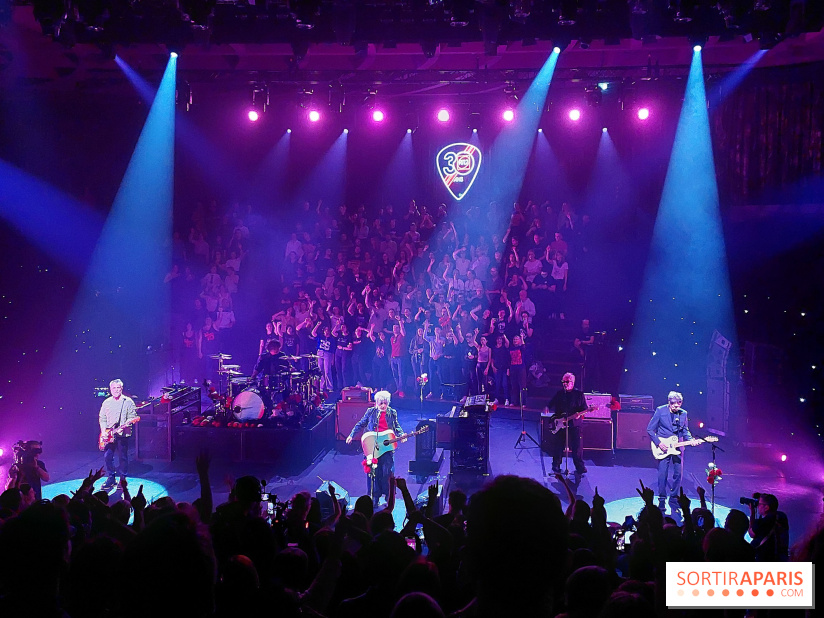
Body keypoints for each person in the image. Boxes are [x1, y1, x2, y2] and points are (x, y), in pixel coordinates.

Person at [345, 390, 405, 504]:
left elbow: (396, 426)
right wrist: (351, 435)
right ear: (376, 403)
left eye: (385, 403)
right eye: (380, 403)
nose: (383, 406)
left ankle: (389, 496)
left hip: (386, 447)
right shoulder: (371, 412)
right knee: (373, 473)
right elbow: (361, 424)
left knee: (387, 472)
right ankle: (374, 497)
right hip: (373, 447)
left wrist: (401, 434)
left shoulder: (392, 413)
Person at [646, 391, 699, 512]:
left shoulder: (683, 413)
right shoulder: (660, 410)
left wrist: (690, 440)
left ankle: (674, 498)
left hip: (678, 446)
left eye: (679, 404)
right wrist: (659, 443)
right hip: (663, 446)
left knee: (678, 474)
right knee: (662, 473)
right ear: (669, 402)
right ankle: (662, 499)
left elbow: (685, 430)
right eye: (674, 404)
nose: (677, 407)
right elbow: (650, 429)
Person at [98, 378, 138, 491]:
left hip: (122, 434)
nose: (116, 390)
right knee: (107, 456)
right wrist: (104, 431)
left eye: (118, 388)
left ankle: (122, 479)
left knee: (123, 457)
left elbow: (133, 416)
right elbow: (102, 418)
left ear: (122, 388)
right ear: (110, 389)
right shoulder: (106, 402)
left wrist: (126, 424)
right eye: (113, 388)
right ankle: (111, 477)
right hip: (109, 435)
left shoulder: (128, 401)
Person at [545, 372, 588, 475]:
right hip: (560, 424)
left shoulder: (579, 395)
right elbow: (551, 403)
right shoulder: (560, 394)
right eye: (563, 381)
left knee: (576, 447)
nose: (565, 383)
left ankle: (580, 467)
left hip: (574, 424)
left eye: (567, 381)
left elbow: (585, 409)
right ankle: (556, 465)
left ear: (572, 382)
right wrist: (547, 407)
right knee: (558, 446)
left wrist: (579, 415)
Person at [748, 493, 789, 561]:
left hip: (764, 559)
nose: (757, 506)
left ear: (766, 507)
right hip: (779, 559)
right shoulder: (782, 517)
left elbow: (751, 533)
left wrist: (752, 513)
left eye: (759, 504)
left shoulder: (762, 523)